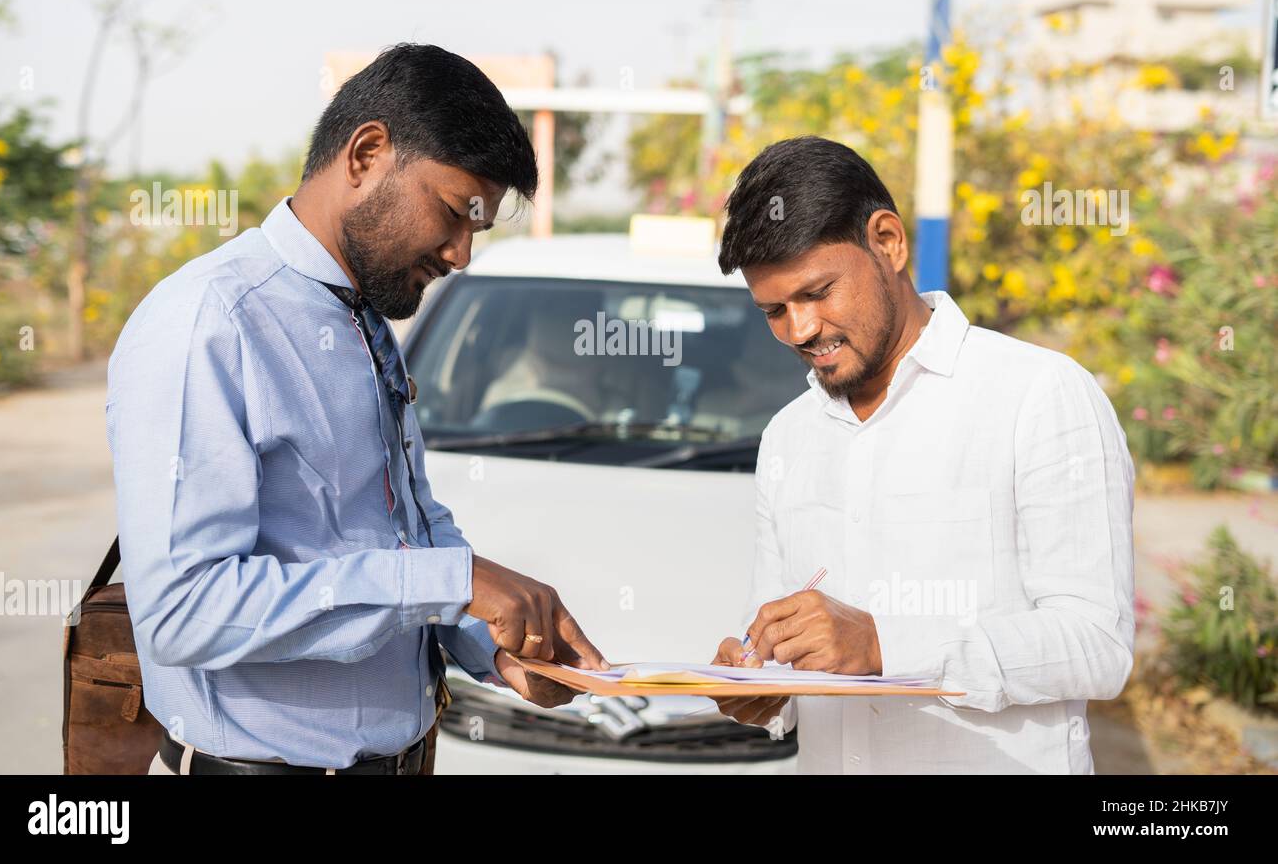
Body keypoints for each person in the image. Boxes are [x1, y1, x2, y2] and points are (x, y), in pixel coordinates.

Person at [108, 42, 606, 775]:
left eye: (480, 229)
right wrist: (455, 581)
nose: (462, 254)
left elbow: (401, 533)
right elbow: (184, 610)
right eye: (452, 213)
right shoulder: (210, 322)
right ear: (367, 153)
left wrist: (492, 651)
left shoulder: (364, 317)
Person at [707, 136, 1135, 774]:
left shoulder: (1038, 395)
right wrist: (761, 685)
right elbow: (773, 629)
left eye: (818, 293)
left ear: (887, 242)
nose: (800, 330)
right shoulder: (789, 436)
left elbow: (1096, 643)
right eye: (774, 310)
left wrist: (884, 644)